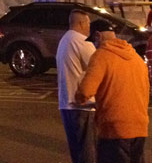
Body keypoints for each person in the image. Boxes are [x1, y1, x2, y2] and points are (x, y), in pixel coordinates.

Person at [76, 19, 149, 163]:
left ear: (98, 36)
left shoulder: (101, 56)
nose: (94, 46)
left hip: (114, 129)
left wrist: (80, 99)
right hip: (140, 128)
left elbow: (85, 91)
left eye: (94, 41)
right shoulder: (136, 58)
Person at [55, 9, 96, 163]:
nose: (89, 28)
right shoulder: (82, 42)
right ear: (81, 23)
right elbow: (96, 68)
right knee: (88, 152)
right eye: (88, 24)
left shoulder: (65, 40)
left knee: (77, 151)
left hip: (66, 104)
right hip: (83, 105)